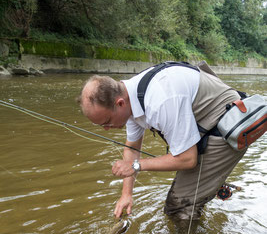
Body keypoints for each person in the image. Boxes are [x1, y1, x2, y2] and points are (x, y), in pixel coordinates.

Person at [77, 61, 246, 220]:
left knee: (178, 207)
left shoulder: (160, 100)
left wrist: (137, 165)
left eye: (107, 122)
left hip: (230, 125)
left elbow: (188, 159)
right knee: (186, 192)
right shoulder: (129, 98)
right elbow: (132, 149)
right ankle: (205, 191)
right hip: (206, 126)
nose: (107, 129)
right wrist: (126, 195)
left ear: (119, 103)